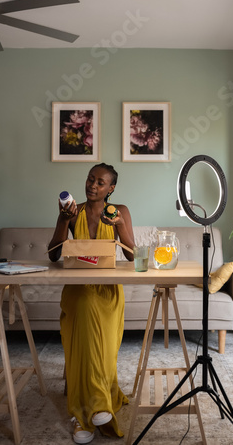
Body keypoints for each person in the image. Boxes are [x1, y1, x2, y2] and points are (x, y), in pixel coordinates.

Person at [48, 163, 135, 444]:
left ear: (111, 189)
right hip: (78, 289)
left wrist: (120, 225)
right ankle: (95, 407)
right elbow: (53, 255)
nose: (92, 185)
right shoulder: (73, 213)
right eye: (90, 179)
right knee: (84, 314)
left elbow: (133, 255)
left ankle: (82, 415)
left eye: (100, 182)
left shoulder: (119, 211)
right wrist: (63, 220)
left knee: (100, 347)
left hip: (108, 292)